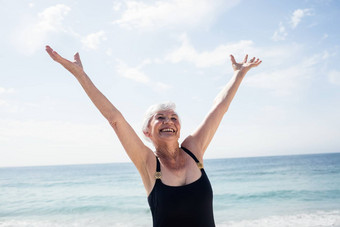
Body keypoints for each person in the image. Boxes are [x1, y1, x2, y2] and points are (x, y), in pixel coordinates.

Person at [45, 45, 261, 227]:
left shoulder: (194, 149)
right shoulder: (148, 162)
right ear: (147, 131)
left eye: (174, 118)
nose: (169, 121)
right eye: (160, 117)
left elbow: (219, 107)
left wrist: (238, 75)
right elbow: (115, 119)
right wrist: (81, 75)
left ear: (179, 128)